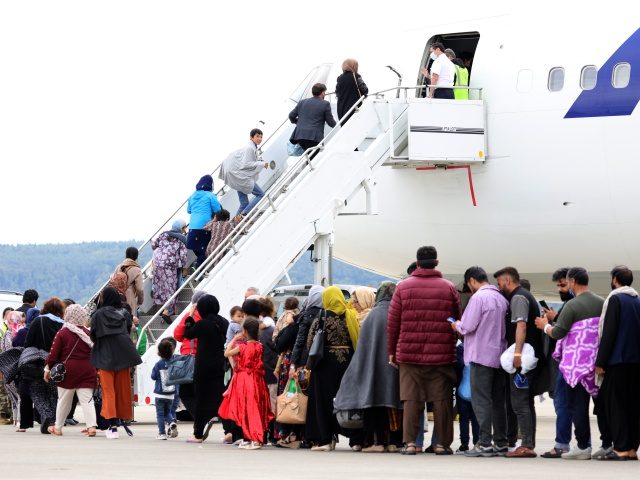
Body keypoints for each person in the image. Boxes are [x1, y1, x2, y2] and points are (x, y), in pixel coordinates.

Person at [387, 246, 460, 455]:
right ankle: (441, 444)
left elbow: (393, 323)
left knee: (411, 400)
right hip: (442, 354)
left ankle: (410, 443)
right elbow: (457, 319)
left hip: (409, 354)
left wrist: (392, 350)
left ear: (417, 263)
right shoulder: (448, 287)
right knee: (442, 401)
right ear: (436, 263)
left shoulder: (403, 287)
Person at [334, 282, 403, 453]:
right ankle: (395, 442)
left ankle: (378, 442)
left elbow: (364, 348)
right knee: (395, 404)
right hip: (396, 368)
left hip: (373, 370)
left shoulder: (372, 316)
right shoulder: (399, 313)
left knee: (375, 404)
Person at [451, 266, 509, 457]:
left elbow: (467, 326)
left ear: (471, 281)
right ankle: (500, 442)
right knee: (498, 401)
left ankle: (484, 442)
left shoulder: (478, 298)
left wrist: (455, 324)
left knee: (481, 400)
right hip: (499, 357)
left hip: (481, 356)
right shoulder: (501, 298)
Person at [494, 266, 544, 458]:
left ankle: (527, 446)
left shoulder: (518, 298)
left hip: (522, 359)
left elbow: (521, 325)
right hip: (528, 357)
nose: (499, 287)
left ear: (507, 280)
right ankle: (528, 443)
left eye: (499, 283)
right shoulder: (524, 295)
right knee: (526, 402)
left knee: (519, 402)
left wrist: (516, 354)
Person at [304, 286, 359, 451]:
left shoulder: (322, 315)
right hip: (347, 362)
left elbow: (310, 342)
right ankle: (355, 440)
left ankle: (326, 439)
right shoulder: (350, 315)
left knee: (322, 400)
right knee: (349, 400)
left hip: (324, 363)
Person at [595, 266, 640, 460]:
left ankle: (621, 448)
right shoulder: (637, 300)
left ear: (614, 280)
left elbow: (609, 333)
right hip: (635, 362)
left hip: (618, 360)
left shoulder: (615, 299)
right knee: (633, 405)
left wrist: (600, 361)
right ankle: (631, 448)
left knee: (616, 406)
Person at [90, 287, 142, 439]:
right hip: (123, 355)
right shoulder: (125, 313)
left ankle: (112, 426)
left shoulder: (97, 315)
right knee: (122, 390)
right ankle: (120, 421)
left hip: (105, 356)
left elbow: (93, 335)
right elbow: (126, 331)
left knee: (108, 391)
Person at [219, 317, 274, 449]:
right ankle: (252, 438)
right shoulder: (260, 346)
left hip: (245, 379)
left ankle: (253, 439)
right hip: (258, 379)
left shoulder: (242, 347)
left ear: (244, 331)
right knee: (256, 407)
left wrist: (234, 339)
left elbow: (227, 353)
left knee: (246, 408)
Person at [537, 268, 574, 458]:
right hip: (573, 363)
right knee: (571, 405)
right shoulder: (573, 304)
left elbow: (562, 332)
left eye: (562, 285)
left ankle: (562, 444)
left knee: (563, 404)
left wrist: (548, 324)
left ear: (572, 282)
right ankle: (583, 444)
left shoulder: (572, 305)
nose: (560, 289)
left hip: (567, 363)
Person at [44, 304, 97, 436]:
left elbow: (53, 354)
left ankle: (58, 427)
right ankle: (91, 427)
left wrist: (47, 369)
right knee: (87, 400)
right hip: (87, 369)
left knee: (63, 401)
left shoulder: (63, 332)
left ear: (68, 315)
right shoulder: (88, 333)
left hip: (68, 372)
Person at [182, 294, 228, 443]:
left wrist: (190, 315)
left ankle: (198, 434)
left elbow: (187, 334)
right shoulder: (224, 322)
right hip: (221, 365)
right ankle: (229, 431)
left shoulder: (202, 324)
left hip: (204, 366)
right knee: (222, 397)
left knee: (201, 399)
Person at [20, 297, 66, 434]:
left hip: (36, 362)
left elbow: (28, 343)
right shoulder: (63, 324)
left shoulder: (38, 320)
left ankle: (47, 418)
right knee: (53, 393)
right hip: (55, 364)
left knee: (37, 391)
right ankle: (51, 421)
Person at [219, 129, 269, 223]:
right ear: (251, 137)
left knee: (244, 202)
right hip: (240, 177)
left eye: (261, 136)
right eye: (257, 136)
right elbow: (246, 164)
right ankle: (244, 214)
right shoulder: (250, 148)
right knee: (260, 194)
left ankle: (234, 224)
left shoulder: (250, 147)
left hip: (236, 176)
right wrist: (261, 164)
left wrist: (260, 161)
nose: (260, 138)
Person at [172, 290, 207, 418]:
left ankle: (197, 415)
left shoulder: (191, 316)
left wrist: (190, 315)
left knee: (186, 391)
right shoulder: (211, 317)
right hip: (206, 357)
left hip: (189, 357)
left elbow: (177, 335)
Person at [272, 297, 300, 447]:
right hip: (299, 362)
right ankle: (295, 432)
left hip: (288, 361)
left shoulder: (288, 320)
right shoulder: (301, 317)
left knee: (286, 395)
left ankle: (286, 432)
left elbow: (278, 343)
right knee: (296, 395)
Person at [151, 219, 188, 315]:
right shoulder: (181, 239)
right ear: (181, 228)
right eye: (184, 228)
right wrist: (184, 268)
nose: (185, 230)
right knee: (171, 288)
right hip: (170, 266)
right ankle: (168, 311)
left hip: (158, 264)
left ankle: (161, 308)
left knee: (160, 287)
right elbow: (183, 255)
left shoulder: (163, 234)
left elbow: (154, 245)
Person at [288, 83, 336, 153]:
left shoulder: (302, 102)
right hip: (314, 138)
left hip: (300, 136)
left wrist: (297, 122)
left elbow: (291, 116)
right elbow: (331, 122)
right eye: (324, 92)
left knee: (310, 157)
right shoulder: (325, 104)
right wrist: (338, 125)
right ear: (322, 92)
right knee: (316, 157)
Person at [186, 175, 222, 267]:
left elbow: (189, 210)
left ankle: (198, 268)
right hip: (204, 228)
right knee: (206, 252)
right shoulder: (210, 195)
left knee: (200, 254)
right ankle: (200, 270)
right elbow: (218, 210)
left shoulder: (192, 196)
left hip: (192, 231)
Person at [151, 339, 178, 440]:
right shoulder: (174, 363)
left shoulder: (158, 364)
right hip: (171, 394)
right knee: (168, 412)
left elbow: (153, 376)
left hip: (160, 394)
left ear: (159, 353)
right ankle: (171, 422)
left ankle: (162, 433)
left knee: (160, 414)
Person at [335, 58, 369, 124]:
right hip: (354, 108)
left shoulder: (339, 78)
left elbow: (337, 92)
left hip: (341, 110)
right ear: (354, 66)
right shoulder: (356, 76)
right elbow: (365, 90)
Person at [114, 247, 144, 316]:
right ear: (136, 256)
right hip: (129, 296)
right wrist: (140, 301)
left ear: (126, 255)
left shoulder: (118, 267)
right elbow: (140, 289)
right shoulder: (137, 269)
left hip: (118, 296)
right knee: (130, 317)